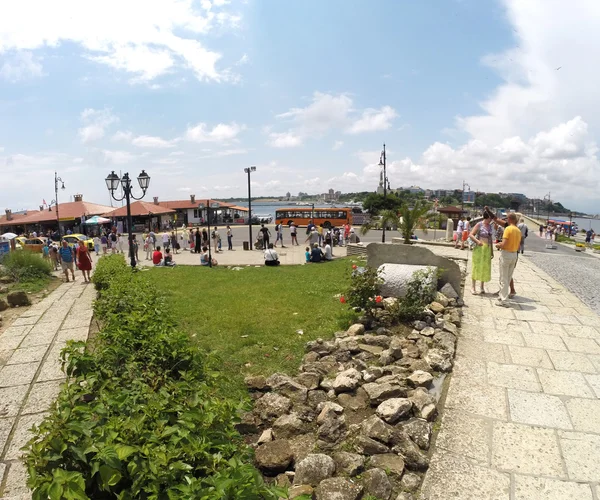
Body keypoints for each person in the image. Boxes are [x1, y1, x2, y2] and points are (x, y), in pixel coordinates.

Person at [495, 213, 521, 307]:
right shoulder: (518, 230)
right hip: (514, 254)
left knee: (503, 278)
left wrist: (498, 245)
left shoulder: (508, 229)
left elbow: (504, 244)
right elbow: (518, 246)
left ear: (510, 219)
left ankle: (504, 300)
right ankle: (502, 295)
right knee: (508, 277)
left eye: (507, 219)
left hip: (506, 254)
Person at [469, 211, 494, 294]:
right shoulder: (479, 224)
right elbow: (471, 234)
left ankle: (482, 286)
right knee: (476, 266)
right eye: (490, 218)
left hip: (487, 248)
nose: (491, 220)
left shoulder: (490, 226)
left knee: (484, 267)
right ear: (487, 217)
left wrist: (492, 251)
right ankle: (473, 287)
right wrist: (477, 241)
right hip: (479, 248)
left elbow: (490, 239)